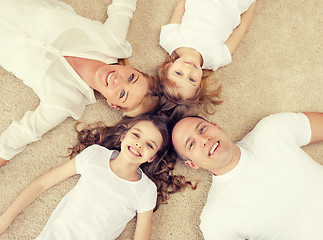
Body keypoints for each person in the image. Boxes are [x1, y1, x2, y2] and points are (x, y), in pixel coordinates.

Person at [0, 0, 160, 168]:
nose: (117, 81)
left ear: (114, 105)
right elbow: (124, 4)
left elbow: (18, 137)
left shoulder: (64, 101)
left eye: (122, 94)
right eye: (131, 78)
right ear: (132, 68)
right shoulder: (112, 42)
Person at [0, 114, 195, 239]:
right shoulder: (95, 155)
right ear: (123, 136)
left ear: (151, 157)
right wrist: (5, 220)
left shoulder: (146, 190)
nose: (139, 144)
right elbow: (42, 184)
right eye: (136, 135)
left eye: (149, 145)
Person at [171, 112, 323, 239]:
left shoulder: (271, 129)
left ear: (216, 126)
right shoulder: (216, 218)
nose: (204, 140)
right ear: (192, 164)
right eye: (191, 144)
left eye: (202, 129)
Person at [158, 0, 256, 113]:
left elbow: (181, 6)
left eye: (179, 73)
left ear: (168, 67)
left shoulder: (170, 40)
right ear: (200, 83)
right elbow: (240, 30)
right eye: (192, 79)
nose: (188, 70)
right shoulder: (216, 58)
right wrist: (251, 4)